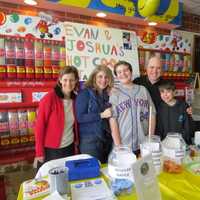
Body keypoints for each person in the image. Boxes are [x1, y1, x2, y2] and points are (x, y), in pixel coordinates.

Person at [34, 66, 79, 169]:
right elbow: (39, 127)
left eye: (72, 80)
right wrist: (39, 152)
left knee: (68, 178)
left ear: (76, 81)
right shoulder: (49, 98)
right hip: (51, 149)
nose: (68, 83)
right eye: (65, 80)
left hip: (69, 147)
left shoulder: (76, 99)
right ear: (60, 80)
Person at [109, 61, 156, 155]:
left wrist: (150, 138)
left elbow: (152, 114)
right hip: (124, 145)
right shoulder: (114, 93)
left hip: (144, 143)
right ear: (117, 76)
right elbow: (112, 120)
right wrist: (119, 146)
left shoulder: (143, 90)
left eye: (126, 70)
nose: (123, 74)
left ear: (131, 72)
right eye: (119, 72)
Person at [75, 65, 114, 163]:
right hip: (90, 142)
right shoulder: (85, 93)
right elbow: (80, 117)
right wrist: (101, 115)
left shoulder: (107, 94)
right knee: (93, 171)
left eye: (106, 77)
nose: (103, 80)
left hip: (106, 139)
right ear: (94, 77)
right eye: (100, 77)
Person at [157, 80, 192, 145]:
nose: (165, 94)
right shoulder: (160, 107)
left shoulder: (183, 106)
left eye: (168, 91)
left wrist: (185, 140)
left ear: (174, 92)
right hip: (165, 143)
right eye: (162, 92)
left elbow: (187, 127)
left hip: (181, 143)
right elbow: (159, 127)